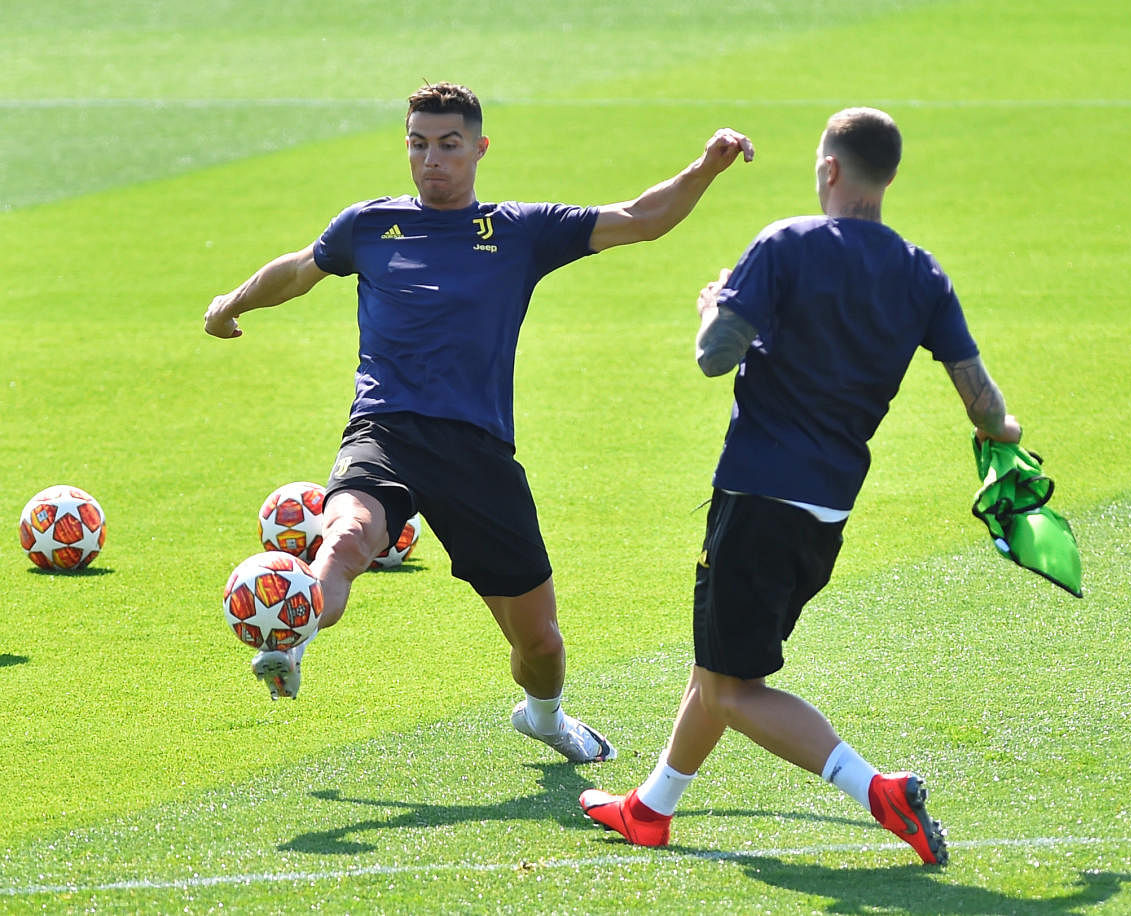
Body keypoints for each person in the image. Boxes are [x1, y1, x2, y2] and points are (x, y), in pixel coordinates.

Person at [203, 82, 754, 765]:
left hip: (477, 453)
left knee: (540, 647)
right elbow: (297, 271)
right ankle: (292, 635)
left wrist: (704, 168)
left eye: (448, 145)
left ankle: (545, 718)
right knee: (345, 536)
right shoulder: (369, 226)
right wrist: (233, 302)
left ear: (479, 149)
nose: (430, 159)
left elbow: (640, 218)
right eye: (418, 144)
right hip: (385, 430)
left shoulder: (521, 231)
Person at [580, 107, 1022, 863]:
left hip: (756, 496)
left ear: (829, 169)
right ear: (886, 177)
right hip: (827, 511)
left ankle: (876, 787)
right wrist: (1005, 441)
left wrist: (717, 307)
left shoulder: (786, 243)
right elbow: (985, 405)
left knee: (733, 689)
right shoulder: (922, 273)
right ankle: (651, 808)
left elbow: (713, 357)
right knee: (718, 663)